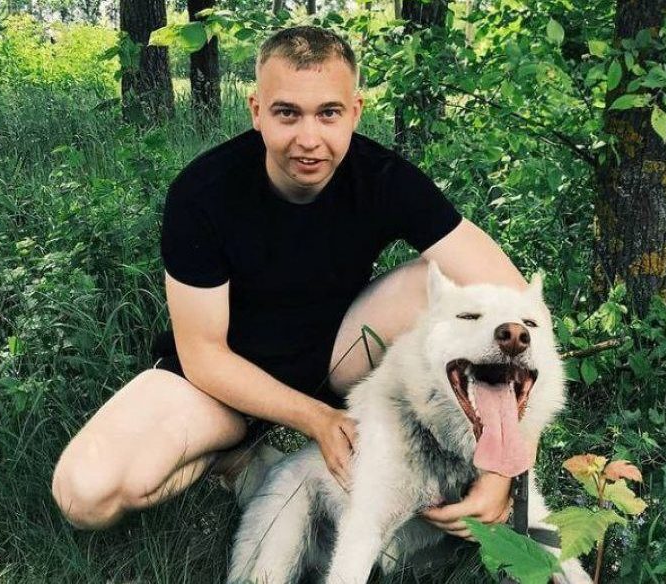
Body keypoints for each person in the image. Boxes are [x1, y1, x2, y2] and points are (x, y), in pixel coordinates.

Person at [52, 25, 532, 542]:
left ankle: (451, 460)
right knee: (86, 495)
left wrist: (502, 470)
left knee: (451, 286)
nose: (309, 139)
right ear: (256, 111)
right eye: (287, 113)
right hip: (219, 385)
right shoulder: (203, 192)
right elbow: (204, 356)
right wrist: (316, 420)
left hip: (335, 361)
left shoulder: (384, 178)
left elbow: (516, 303)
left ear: (355, 112)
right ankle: (234, 457)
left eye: (328, 113)